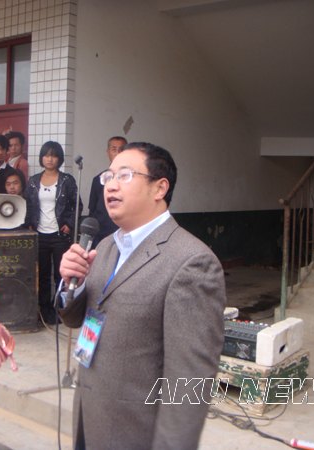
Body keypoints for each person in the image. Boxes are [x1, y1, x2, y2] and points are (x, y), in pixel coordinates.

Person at [59, 142, 226, 450]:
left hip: (134, 433)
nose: (111, 186)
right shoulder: (105, 246)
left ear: (159, 188)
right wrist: (74, 283)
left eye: (124, 175)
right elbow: (75, 318)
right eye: (108, 177)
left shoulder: (192, 262)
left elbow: (189, 382)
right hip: (89, 418)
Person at [25, 141, 81, 325]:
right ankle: (44, 310)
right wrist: (29, 225)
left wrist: (69, 224)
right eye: (46, 155)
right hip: (39, 234)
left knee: (60, 275)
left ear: (59, 158)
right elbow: (27, 205)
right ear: (42, 158)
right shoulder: (33, 181)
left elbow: (77, 205)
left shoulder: (67, 180)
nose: (49, 159)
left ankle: (59, 309)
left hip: (59, 235)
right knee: (42, 275)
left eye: (54, 155)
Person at [88, 136, 127, 247]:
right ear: (108, 152)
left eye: (121, 149)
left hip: (125, 232)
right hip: (102, 235)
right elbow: (92, 210)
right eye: (114, 149)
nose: (118, 153)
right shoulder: (98, 179)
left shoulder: (133, 179)